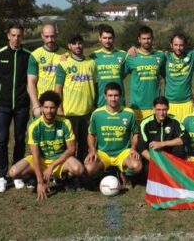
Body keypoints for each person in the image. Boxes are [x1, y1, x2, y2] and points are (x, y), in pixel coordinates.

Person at [8, 91, 84, 200]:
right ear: (41, 108)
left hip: (59, 161)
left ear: (57, 107)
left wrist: (52, 165)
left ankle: (64, 178)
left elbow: (71, 149)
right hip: (41, 160)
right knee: (13, 172)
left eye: (52, 107)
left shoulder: (65, 123)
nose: (49, 111)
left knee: (78, 169)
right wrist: (40, 182)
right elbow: (35, 155)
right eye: (46, 107)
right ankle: (36, 176)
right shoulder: (34, 126)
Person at [0, 24, 32, 192]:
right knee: (2, 140)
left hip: (22, 105)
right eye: (13, 35)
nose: (16, 38)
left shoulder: (28, 56)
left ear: (22, 37)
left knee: (20, 139)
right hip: (3, 106)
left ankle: (17, 173)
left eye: (19, 36)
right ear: (8, 36)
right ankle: (2, 175)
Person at [84, 83, 142, 187]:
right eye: (110, 95)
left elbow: (136, 133)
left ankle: (125, 175)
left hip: (123, 153)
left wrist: (133, 148)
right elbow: (91, 134)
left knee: (137, 166)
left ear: (120, 96)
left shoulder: (129, 113)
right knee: (88, 168)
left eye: (116, 95)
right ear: (105, 96)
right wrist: (92, 150)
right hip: (103, 153)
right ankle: (102, 174)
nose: (113, 99)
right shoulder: (97, 114)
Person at [55, 34, 97, 163]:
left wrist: (94, 106)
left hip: (87, 113)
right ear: (69, 46)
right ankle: (69, 174)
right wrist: (59, 109)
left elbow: (95, 85)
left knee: (85, 145)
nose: (78, 46)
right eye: (74, 43)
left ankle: (82, 174)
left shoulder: (91, 62)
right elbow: (58, 88)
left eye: (80, 43)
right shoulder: (64, 63)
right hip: (70, 112)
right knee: (70, 147)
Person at [124, 26, 166, 121]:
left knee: (156, 135)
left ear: (152, 39)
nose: (146, 41)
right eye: (144, 39)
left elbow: (168, 75)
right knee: (138, 135)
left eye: (149, 38)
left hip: (156, 106)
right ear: (139, 40)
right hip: (137, 106)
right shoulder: (131, 56)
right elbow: (120, 76)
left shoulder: (160, 56)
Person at [27, 24, 68, 118]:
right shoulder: (35, 55)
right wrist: (36, 105)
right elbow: (31, 82)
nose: (50, 39)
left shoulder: (66, 54)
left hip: (62, 104)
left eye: (52, 36)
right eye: (47, 36)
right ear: (42, 36)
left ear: (56, 35)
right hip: (43, 105)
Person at [138, 97, 188, 161]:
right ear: (153, 109)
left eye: (164, 109)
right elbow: (141, 147)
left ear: (168, 108)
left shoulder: (174, 120)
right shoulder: (145, 123)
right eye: (158, 110)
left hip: (171, 156)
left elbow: (185, 138)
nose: (161, 113)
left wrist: (162, 144)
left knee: (180, 148)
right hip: (153, 158)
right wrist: (156, 162)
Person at [90, 24, 127, 107]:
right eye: (105, 38)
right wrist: (66, 56)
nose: (107, 41)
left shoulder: (123, 55)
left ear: (114, 38)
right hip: (100, 102)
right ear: (99, 38)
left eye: (110, 38)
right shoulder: (93, 57)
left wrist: (133, 48)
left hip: (119, 102)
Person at [164, 34, 194, 120]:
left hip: (187, 102)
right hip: (170, 103)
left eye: (181, 45)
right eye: (176, 45)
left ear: (185, 45)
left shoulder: (191, 56)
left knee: (187, 131)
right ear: (171, 45)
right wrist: (133, 48)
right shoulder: (165, 57)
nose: (178, 48)